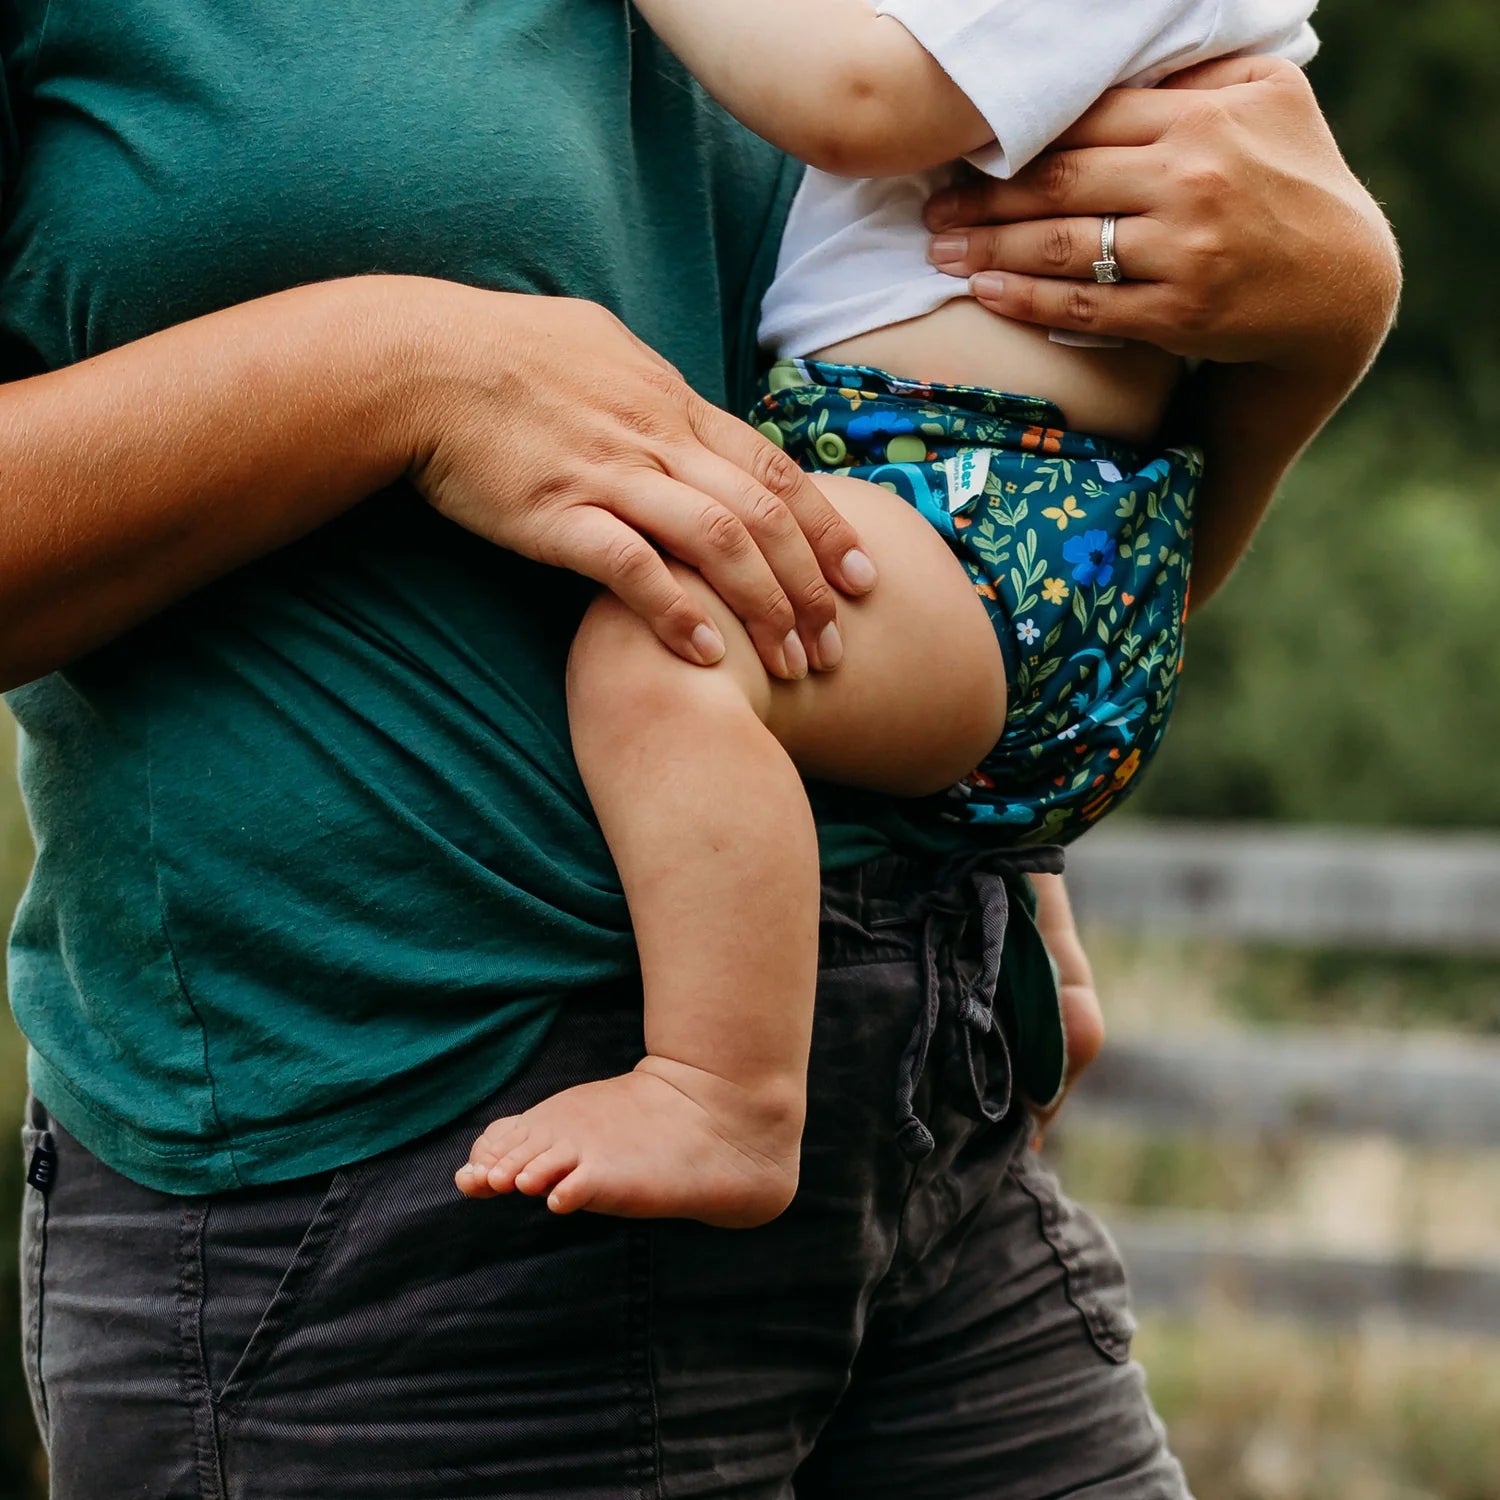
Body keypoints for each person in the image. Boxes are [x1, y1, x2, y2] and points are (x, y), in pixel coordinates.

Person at [1, 4, 1396, 1495]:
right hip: (400, 1201)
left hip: (935, 1134)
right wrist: (394, 370)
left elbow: (995, 536)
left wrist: (1316, 325)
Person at [458, 0, 1323, 1228]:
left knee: (664, 647)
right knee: (829, 704)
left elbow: (854, 99)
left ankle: (723, 1096)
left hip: (994, 504)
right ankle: (1042, 961)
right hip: (986, 499)